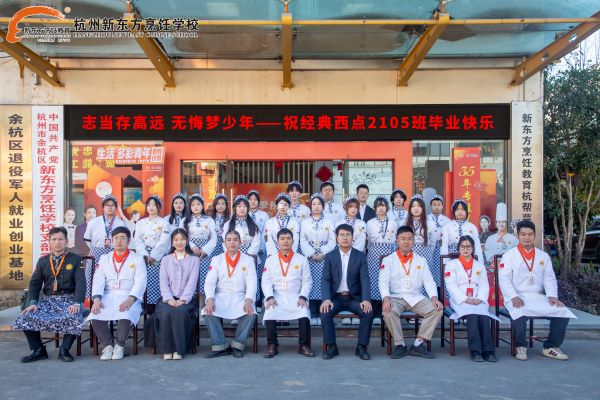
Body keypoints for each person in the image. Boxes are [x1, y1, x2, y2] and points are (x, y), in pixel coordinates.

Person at [499, 220, 576, 361]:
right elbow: (504, 279)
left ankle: (550, 346)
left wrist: (552, 296)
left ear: (534, 235)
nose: (526, 237)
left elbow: (549, 278)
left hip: (537, 296)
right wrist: (513, 296)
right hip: (517, 295)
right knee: (518, 311)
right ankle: (520, 346)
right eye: (523, 234)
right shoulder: (509, 255)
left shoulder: (543, 256)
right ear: (517, 235)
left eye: (530, 234)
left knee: (562, 311)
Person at [14, 227, 85, 363]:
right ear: (49, 241)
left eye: (61, 239)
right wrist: (33, 302)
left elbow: (81, 282)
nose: (57, 242)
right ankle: (39, 350)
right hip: (48, 300)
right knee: (25, 317)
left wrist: (77, 303)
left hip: (69, 299)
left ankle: (64, 350)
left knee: (75, 316)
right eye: (54, 239)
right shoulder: (43, 261)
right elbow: (34, 284)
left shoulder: (75, 259)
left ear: (66, 241)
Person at [380, 226, 443, 359]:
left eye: (409, 239)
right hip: (396, 297)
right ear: (397, 241)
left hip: (416, 297)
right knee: (388, 311)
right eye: (403, 239)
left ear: (414, 241)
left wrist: (434, 298)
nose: (406, 241)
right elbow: (383, 281)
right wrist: (386, 298)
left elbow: (429, 281)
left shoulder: (421, 260)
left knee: (437, 309)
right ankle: (400, 344)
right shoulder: (389, 260)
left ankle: (418, 344)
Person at [87, 226, 147, 361]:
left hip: (129, 295)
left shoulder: (137, 259)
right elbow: (98, 280)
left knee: (126, 313)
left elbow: (141, 281)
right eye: (116, 238)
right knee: (95, 313)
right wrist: (96, 299)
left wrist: (130, 299)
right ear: (112, 240)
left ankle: (119, 345)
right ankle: (108, 345)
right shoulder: (105, 258)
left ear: (129, 240)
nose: (119, 241)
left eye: (122, 238)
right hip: (108, 295)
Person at [320, 224, 374, 360]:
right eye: (342, 235)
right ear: (337, 238)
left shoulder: (360, 256)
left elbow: (365, 278)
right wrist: (326, 299)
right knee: (325, 311)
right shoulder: (330, 256)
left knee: (368, 311)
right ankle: (332, 346)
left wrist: (366, 299)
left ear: (352, 238)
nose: (345, 238)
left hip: (354, 298)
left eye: (348, 235)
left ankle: (361, 347)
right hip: (335, 298)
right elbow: (325, 279)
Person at [202, 230, 257, 358]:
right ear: (224, 243)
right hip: (221, 296)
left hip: (240, 296)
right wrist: (209, 299)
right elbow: (209, 282)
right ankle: (220, 345)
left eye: (235, 240)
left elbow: (252, 282)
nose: (232, 243)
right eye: (229, 240)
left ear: (240, 242)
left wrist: (249, 300)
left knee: (251, 312)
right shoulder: (217, 259)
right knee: (207, 311)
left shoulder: (248, 260)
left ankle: (237, 345)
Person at [445, 235, 499, 362]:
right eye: (463, 247)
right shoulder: (451, 265)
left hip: (477, 298)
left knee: (484, 315)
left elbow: (484, 285)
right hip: (460, 300)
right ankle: (475, 350)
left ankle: (488, 350)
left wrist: (480, 298)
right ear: (458, 248)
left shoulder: (479, 266)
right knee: (473, 314)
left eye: (468, 247)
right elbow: (451, 285)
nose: (465, 249)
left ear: (473, 248)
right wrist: (465, 299)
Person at [262, 228, 314, 358]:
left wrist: (303, 296)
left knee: (303, 310)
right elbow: (265, 282)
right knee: (270, 310)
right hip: (276, 296)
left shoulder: (301, 259)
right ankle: (272, 344)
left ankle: (303, 345)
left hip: (296, 296)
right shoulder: (270, 260)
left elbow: (307, 281)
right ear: (277, 242)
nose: (285, 241)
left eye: (288, 238)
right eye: (282, 239)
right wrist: (270, 297)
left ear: (293, 241)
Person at [153, 229, 200, 360]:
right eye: (176, 240)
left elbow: (192, 283)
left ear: (187, 241)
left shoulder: (194, 260)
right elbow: (163, 282)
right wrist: (169, 299)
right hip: (168, 298)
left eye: (182, 239)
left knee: (181, 312)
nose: (179, 242)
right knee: (167, 312)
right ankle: (167, 349)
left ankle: (179, 349)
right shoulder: (165, 259)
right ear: (172, 242)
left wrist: (183, 300)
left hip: (186, 299)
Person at [301, 193, 336, 325]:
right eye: (314, 204)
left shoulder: (329, 222)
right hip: (310, 258)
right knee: (310, 281)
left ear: (323, 206)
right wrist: (311, 254)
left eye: (319, 204)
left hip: (324, 257)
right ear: (310, 206)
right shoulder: (305, 222)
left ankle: (323, 313)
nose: (316, 207)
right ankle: (312, 312)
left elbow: (332, 240)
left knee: (323, 282)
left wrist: (323, 253)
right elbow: (302, 240)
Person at [83, 194, 126, 297]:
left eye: (112, 205)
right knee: (92, 279)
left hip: (113, 255)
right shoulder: (94, 222)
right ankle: (93, 302)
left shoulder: (121, 223)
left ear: (116, 207)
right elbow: (87, 239)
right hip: (96, 255)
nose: (110, 207)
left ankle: (110, 300)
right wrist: (95, 249)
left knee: (111, 279)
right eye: (107, 205)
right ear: (103, 207)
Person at [366, 196, 398, 325]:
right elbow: (368, 242)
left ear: (387, 207)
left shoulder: (393, 222)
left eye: (383, 205)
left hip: (389, 253)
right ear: (375, 208)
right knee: (374, 281)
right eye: (378, 206)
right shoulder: (370, 223)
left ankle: (386, 311)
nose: (381, 208)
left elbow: (396, 240)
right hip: (374, 255)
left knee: (387, 280)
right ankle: (375, 312)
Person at [134, 195, 171, 306]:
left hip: (157, 257)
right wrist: (145, 255)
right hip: (143, 257)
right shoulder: (140, 223)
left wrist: (154, 256)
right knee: (142, 280)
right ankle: (143, 306)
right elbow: (137, 240)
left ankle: (157, 306)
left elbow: (164, 241)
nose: (151, 207)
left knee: (158, 281)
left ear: (159, 207)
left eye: (154, 205)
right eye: (149, 205)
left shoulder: (164, 223)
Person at [182, 193, 217, 297]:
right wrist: (193, 247)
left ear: (202, 206)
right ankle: (189, 303)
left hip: (204, 254)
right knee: (189, 277)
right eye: (193, 205)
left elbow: (213, 237)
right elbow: (182, 236)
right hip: (189, 252)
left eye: (198, 204)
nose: (195, 207)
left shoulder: (209, 220)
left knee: (204, 278)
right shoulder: (185, 220)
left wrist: (205, 250)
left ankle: (203, 303)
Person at [405, 194, 436, 284]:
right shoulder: (405, 223)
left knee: (425, 278)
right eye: (413, 206)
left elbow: (433, 242)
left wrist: (427, 252)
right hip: (409, 254)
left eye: (419, 206)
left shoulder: (430, 223)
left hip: (425, 255)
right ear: (410, 208)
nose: (416, 208)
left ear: (423, 208)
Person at [248, 189, 270, 307]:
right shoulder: (243, 214)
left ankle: (259, 302)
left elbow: (265, 233)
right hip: (246, 251)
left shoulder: (264, 215)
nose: (253, 201)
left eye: (255, 199)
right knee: (249, 275)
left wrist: (261, 248)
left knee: (260, 275)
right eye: (250, 199)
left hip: (261, 251)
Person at [427, 194, 450, 290]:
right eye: (434, 205)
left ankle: (441, 293)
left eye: (439, 205)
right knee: (429, 270)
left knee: (441, 270)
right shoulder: (426, 219)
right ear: (430, 206)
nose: (436, 207)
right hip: (428, 249)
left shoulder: (447, 221)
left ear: (442, 206)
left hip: (441, 248)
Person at [210, 193, 230, 258]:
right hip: (213, 244)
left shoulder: (230, 219)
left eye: (223, 204)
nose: (221, 206)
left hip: (225, 244)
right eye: (218, 204)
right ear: (214, 205)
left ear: (226, 206)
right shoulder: (209, 219)